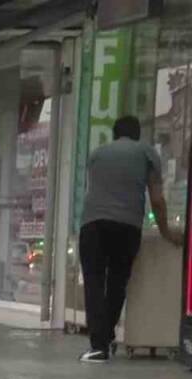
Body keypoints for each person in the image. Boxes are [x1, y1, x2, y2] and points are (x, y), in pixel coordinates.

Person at [78, 115, 182, 363]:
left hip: (92, 224)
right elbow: (157, 199)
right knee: (117, 282)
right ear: (137, 135)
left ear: (115, 134)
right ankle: (104, 340)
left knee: (94, 282)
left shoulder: (97, 154)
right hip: (127, 226)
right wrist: (166, 231)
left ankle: (99, 345)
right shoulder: (146, 153)